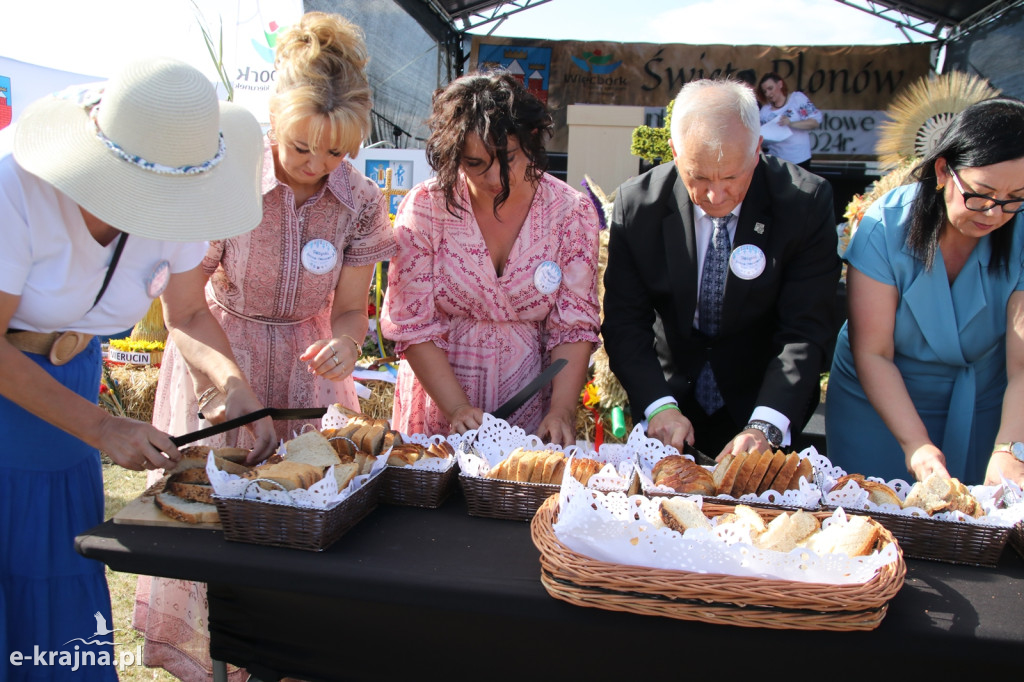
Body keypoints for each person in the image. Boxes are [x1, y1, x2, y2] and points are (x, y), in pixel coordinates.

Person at [134, 12, 395, 681]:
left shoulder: (361, 202)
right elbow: (187, 308)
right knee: (220, 544)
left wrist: (342, 344)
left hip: (308, 386)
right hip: (219, 367)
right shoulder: (225, 179)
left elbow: (348, 310)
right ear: (272, 119)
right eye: (301, 147)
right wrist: (231, 385)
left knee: (301, 539)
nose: (316, 166)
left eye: (336, 153)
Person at [0, 57, 275, 681]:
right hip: (16, 395)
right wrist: (101, 428)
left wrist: (231, 385)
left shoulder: (180, 189)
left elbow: (188, 315)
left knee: (59, 575)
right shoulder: (14, 189)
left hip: (67, 398)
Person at [602, 78, 840, 459]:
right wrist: (658, 406)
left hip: (764, 397)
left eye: (732, 177)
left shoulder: (804, 203)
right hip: (670, 403)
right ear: (674, 152)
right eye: (698, 177)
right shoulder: (639, 206)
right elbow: (625, 322)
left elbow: (806, 328)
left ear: (757, 150)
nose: (715, 195)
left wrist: (766, 424)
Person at [381, 71, 601, 445]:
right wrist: (456, 409)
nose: (495, 176)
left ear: (530, 139)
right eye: (474, 163)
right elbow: (411, 322)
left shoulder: (570, 212)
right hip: (438, 407)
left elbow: (574, 326)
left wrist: (561, 411)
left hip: (531, 408)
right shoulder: (426, 207)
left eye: (507, 158)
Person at [826, 98, 1024, 487]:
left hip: (986, 400)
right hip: (877, 400)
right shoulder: (886, 225)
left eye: (1014, 197)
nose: (994, 213)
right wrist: (916, 443)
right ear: (943, 170)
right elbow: (874, 352)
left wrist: (1010, 448)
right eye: (980, 194)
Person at [757, 72, 822, 169]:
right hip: (777, 161)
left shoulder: (797, 99)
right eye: (765, 91)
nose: (768, 93)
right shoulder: (765, 111)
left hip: (799, 159)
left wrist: (791, 123)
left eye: (770, 88)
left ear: (780, 84)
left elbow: (815, 122)